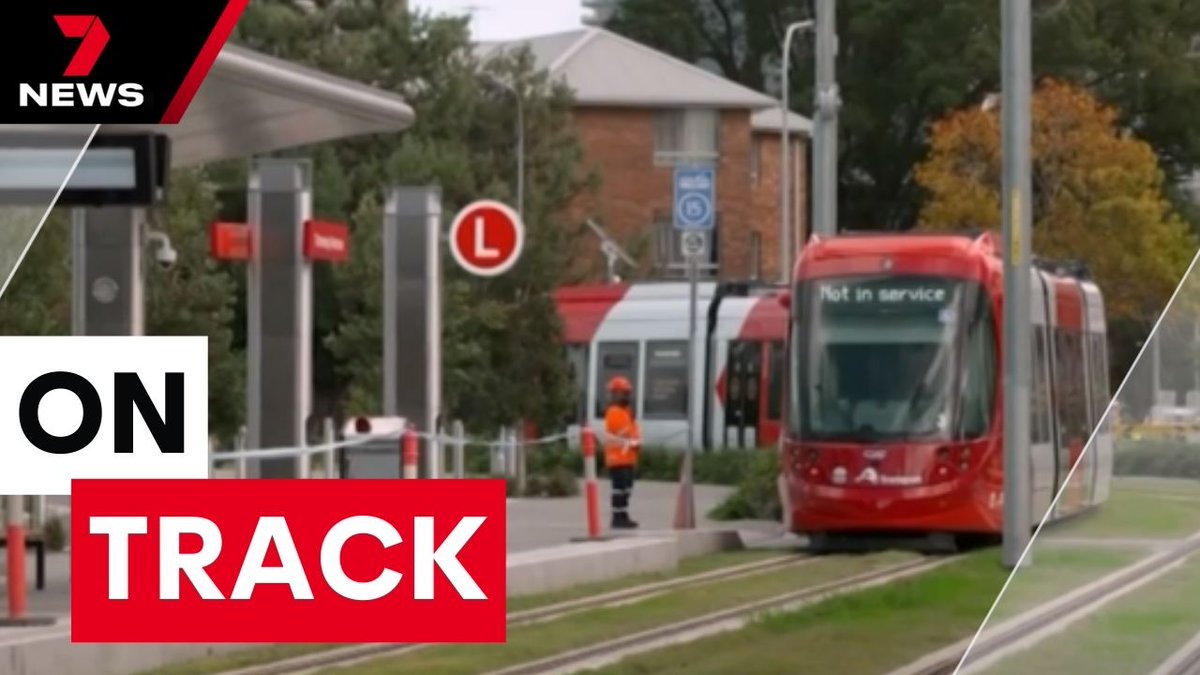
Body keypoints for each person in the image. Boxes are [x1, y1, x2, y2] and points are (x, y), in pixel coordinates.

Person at [604, 375, 641, 529]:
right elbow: (623, 432)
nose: (626, 396)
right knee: (619, 490)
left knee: (626, 489)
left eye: (627, 393)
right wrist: (632, 440)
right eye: (623, 393)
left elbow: (633, 431)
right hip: (617, 459)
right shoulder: (614, 412)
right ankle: (617, 518)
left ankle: (623, 515)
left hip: (628, 458)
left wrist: (636, 441)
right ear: (615, 394)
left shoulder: (627, 412)